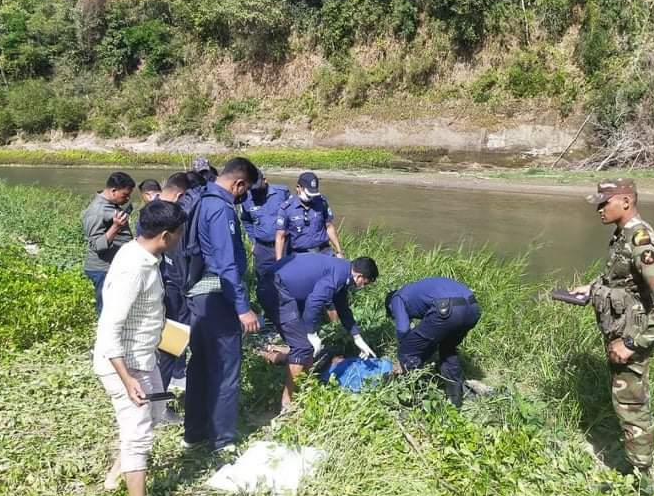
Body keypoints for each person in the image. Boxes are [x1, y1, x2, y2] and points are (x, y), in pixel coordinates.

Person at [568, 178, 654, 475]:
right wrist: (591, 287)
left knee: (632, 406)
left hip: (632, 337)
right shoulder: (623, 234)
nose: (599, 209)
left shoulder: (640, 239)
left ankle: (641, 477)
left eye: (604, 203)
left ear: (626, 202)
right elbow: (619, 277)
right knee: (626, 401)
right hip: (621, 331)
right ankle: (637, 465)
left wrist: (631, 344)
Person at [92, 199, 187, 496]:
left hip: (144, 359)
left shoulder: (144, 255)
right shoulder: (134, 268)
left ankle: (117, 472)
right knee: (138, 435)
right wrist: (127, 378)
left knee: (157, 413)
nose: (180, 238)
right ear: (166, 235)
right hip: (125, 365)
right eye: (179, 233)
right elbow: (109, 329)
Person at [183, 157, 261, 452]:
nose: (244, 196)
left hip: (200, 292)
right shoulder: (221, 208)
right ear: (238, 184)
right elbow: (227, 265)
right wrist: (242, 307)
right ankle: (223, 441)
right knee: (226, 368)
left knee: (200, 364)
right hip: (218, 294)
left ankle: (194, 433)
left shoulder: (201, 198)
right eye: (245, 190)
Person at [258, 254, 379, 408]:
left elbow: (343, 308)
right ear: (360, 276)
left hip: (281, 289)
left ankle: (303, 388)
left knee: (306, 347)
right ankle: (287, 404)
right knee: (302, 347)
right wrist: (311, 333)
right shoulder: (339, 275)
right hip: (274, 289)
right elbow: (314, 301)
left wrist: (357, 337)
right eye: (365, 283)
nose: (362, 287)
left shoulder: (343, 272)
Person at [385, 277, 480, 408]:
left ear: (390, 307)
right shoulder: (414, 291)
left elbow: (403, 329)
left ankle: (414, 397)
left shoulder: (396, 298)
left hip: (449, 309)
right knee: (447, 350)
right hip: (473, 308)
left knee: (407, 350)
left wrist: (406, 351)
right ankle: (455, 401)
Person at [154, 173, 190, 392]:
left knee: (178, 329)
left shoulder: (156, 210)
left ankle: (177, 371)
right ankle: (167, 380)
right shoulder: (164, 214)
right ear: (180, 195)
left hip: (175, 281)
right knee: (173, 332)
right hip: (169, 283)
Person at [82, 172, 136, 316]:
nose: (127, 199)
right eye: (125, 195)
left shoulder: (111, 205)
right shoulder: (96, 211)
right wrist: (116, 227)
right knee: (106, 311)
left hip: (113, 267)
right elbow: (97, 245)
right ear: (113, 191)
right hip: (102, 269)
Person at [274, 172, 344, 260]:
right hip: (300, 256)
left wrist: (339, 251)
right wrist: (279, 261)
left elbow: (329, 227)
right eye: (308, 194)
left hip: (324, 253)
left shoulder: (322, 202)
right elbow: (280, 236)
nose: (311, 197)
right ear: (298, 188)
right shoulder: (286, 208)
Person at [240, 170, 291, 282]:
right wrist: (253, 241)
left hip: (285, 245)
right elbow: (246, 220)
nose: (255, 191)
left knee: (287, 279)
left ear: (265, 180)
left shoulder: (282, 193)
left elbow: (293, 212)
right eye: (252, 188)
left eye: (257, 187)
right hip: (262, 249)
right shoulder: (247, 199)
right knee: (264, 281)